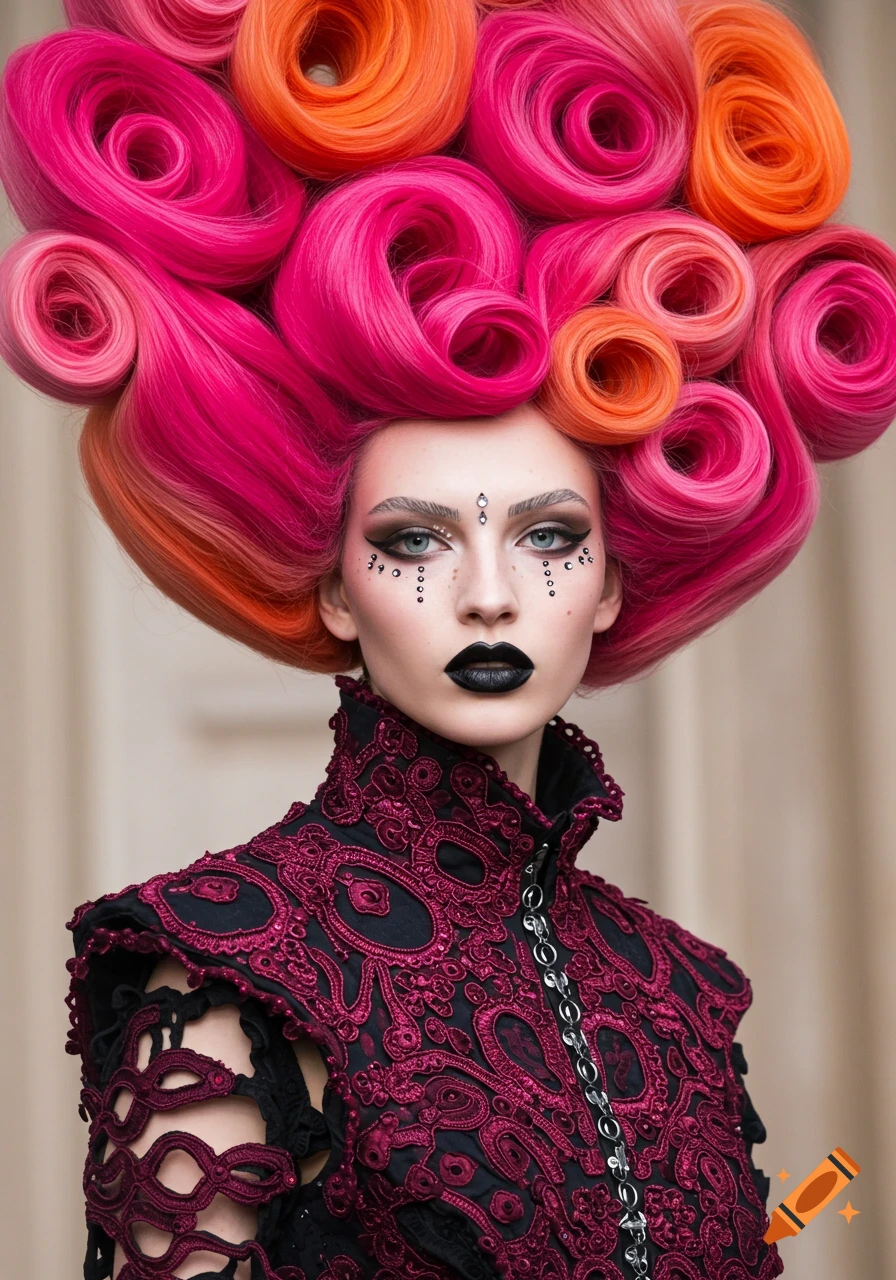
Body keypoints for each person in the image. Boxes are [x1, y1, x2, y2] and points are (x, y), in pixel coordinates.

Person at [0, 0, 893, 1276]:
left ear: (610, 581)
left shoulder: (681, 991)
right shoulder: (223, 965)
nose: (486, 595)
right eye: (414, 542)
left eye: (546, 538)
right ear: (329, 585)